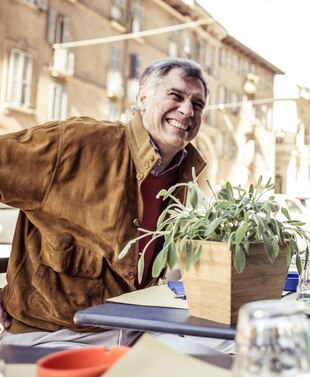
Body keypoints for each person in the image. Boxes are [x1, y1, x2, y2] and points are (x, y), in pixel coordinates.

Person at [0, 57, 208, 347]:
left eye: (197, 104)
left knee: (239, 357)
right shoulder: (77, 143)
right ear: (143, 98)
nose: (187, 110)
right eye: (175, 96)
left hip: (133, 327)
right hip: (52, 334)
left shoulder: (184, 173)